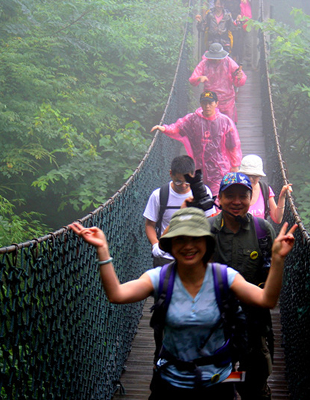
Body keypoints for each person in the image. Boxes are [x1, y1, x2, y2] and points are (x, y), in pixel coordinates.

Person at [68, 208, 297, 400]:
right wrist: (102, 250)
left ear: (207, 243)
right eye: (180, 239)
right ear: (170, 244)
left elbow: (267, 299)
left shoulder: (225, 277)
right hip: (170, 383)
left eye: (195, 238)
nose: (188, 246)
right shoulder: (159, 278)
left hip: (219, 382)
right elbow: (117, 294)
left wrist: (277, 259)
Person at [208, 172, 277, 400]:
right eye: (230, 196)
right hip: (215, 321)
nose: (236, 201)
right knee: (215, 382)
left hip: (253, 320)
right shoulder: (206, 230)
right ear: (219, 198)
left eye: (242, 196)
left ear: (251, 198)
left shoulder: (263, 230)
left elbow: (272, 276)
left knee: (254, 382)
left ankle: (243, 387)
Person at [151, 91, 242, 196]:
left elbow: (233, 145)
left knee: (217, 198)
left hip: (219, 170)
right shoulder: (193, 119)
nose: (207, 106)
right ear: (200, 104)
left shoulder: (225, 121)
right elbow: (178, 127)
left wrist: (235, 165)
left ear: (216, 104)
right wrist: (164, 128)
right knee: (200, 198)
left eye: (210, 103)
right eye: (204, 103)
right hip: (198, 169)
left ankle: (215, 212)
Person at [144, 155, 216, 267]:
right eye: (178, 182)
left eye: (187, 182)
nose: (183, 185)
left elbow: (210, 220)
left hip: (194, 254)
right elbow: (149, 225)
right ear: (171, 174)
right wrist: (155, 244)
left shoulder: (202, 192)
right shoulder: (159, 195)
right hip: (167, 257)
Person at [189, 43, 247, 123]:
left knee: (227, 125)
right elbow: (193, 79)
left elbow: (239, 80)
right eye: (214, 58)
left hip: (227, 100)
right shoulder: (204, 63)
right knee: (210, 124)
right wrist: (199, 78)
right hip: (210, 100)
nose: (216, 60)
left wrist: (240, 77)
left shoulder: (228, 62)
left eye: (218, 58)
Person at [239, 154, 293, 223]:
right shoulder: (234, 190)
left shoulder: (265, 190)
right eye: (247, 175)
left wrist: (282, 196)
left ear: (259, 176)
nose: (250, 179)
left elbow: (277, 219)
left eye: (255, 176)